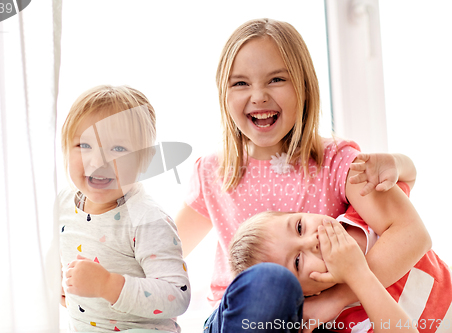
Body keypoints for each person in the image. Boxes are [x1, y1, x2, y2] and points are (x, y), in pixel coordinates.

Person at [174, 18, 431, 331]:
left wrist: (334, 300)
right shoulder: (215, 171)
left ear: (305, 89)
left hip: (308, 323)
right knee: (270, 284)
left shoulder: (336, 163)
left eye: (276, 79)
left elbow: (411, 234)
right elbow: (166, 252)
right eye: (240, 83)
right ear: (223, 96)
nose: (258, 96)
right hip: (235, 319)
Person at [229, 182, 452, 333]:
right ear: (305, 294)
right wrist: (357, 275)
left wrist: (397, 163)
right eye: (297, 261)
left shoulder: (363, 215)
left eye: (299, 227)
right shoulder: (340, 322)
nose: (311, 241)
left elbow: (402, 178)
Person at [58, 85, 190, 332]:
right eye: (84, 145)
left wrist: (108, 285)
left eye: (118, 149)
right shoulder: (62, 205)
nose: (98, 162)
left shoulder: (148, 219)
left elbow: (177, 295)